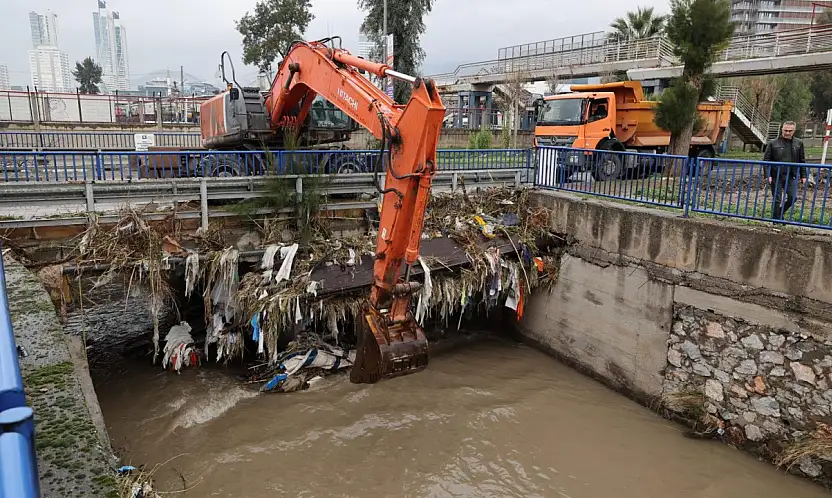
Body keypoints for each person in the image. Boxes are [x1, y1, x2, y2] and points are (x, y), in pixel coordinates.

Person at [763, 121, 807, 220]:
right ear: (782, 129)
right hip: (776, 175)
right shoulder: (773, 143)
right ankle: (776, 219)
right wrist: (767, 175)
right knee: (777, 199)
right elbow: (766, 160)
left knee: (793, 197)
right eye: (785, 130)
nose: (787, 133)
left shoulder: (798, 143)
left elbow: (802, 160)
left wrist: (803, 175)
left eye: (790, 131)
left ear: (794, 131)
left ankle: (779, 213)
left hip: (791, 175)